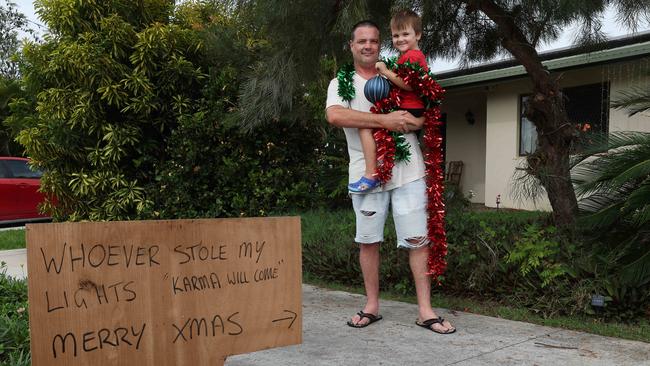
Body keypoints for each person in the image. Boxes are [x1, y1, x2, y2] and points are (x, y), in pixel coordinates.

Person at [325, 19, 455, 334]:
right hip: (365, 171)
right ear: (352, 46)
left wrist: (412, 122)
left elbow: (422, 110)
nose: (368, 45)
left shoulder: (402, 73)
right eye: (361, 41)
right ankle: (371, 306)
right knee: (368, 241)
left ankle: (425, 310)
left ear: (379, 45)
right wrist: (385, 121)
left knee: (417, 240)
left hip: (408, 170)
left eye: (373, 40)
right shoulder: (341, 82)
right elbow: (335, 115)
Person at [347, 10, 429, 193]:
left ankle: (371, 174)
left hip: (409, 108)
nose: (400, 39)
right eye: (395, 35)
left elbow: (409, 85)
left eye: (405, 34)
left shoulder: (412, 57)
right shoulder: (408, 56)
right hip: (411, 109)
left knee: (365, 128)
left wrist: (385, 72)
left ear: (418, 35)